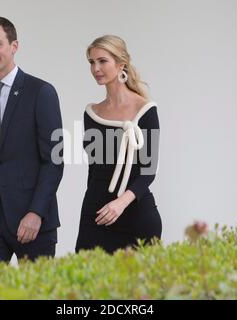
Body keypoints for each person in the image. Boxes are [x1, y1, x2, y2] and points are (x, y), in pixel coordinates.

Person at [0, 16, 64, 271]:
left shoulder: (41, 91)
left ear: (14, 46)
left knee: (36, 294)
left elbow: (54, 160)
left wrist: (36, 213)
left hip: (31, 217)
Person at [75, 35, 162, 254]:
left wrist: (120, 203)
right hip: (97, 215)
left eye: (102, 61)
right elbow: (94, 171)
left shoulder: (145, 110)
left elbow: (148, 172)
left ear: (121, 64)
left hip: (136, 217)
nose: (96, 68)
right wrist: (88, 213)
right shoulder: (91, 113)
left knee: (140, 288)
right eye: (92, 62)